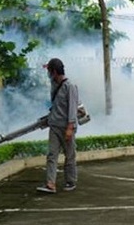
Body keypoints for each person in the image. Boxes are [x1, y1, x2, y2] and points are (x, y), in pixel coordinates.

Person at [36, 58, 79, 194]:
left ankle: (70, 181)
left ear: (54, 71)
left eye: (49, 70)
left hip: (66, 126)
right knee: (52, 155)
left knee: (69, 155)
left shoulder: (70, 86)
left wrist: (70, 127)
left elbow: (72, 107)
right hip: (54, 125)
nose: (48, 74)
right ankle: (50, 184)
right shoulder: (54, 84)